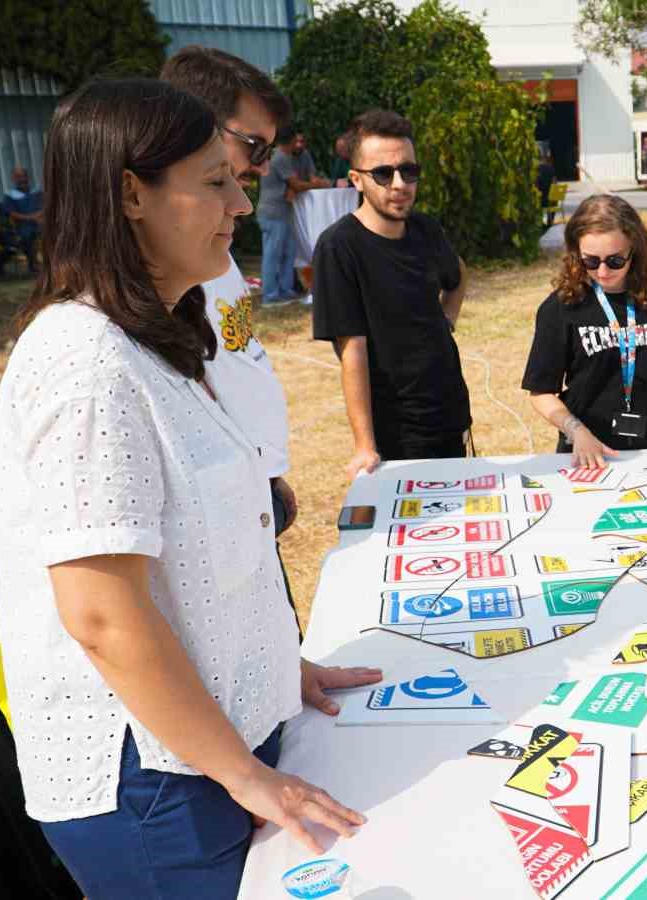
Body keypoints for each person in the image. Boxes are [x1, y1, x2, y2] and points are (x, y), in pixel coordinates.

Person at [0, 78, 380, 900]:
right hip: (155, 784)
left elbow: (202, 559)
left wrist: (276, 665)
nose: (241, 203)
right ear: (131, 194)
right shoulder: (85, 364)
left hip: (208, 745)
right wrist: (243, 774)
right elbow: (102, 613)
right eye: (214, 182)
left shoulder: (157, 332)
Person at [161, 43, 306, 619]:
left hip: (252, 494)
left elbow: (234, 362)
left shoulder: (209, 255)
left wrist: (269, 472)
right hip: (219, 517)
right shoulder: (168, 268)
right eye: (255, 146)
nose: (263, 167)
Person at [313, 108, 472, 478]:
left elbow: (457, 274)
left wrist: (445, 319)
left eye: (409, 171)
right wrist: (364, 446)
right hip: (396, 431)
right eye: (383, 173)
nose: (399, 184)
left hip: (449, 414)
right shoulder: (339, 248)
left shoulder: (426, 230)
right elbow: (351, 349)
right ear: (356, 179)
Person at [522, 193, 647, 468]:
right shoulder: (561, 306)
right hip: (588, 454)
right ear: (576, 253)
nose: (603, 271)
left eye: (615, 260)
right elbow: (541, 393)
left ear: (635, 250)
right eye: (591, 261)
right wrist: (576, 431)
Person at [258, 130, 325, 303]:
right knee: (273, 255)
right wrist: (314, 185)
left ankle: (285, 290)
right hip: (273, 213)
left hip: (285, 212)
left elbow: (295, 185)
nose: (298, 145)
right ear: (289, 142)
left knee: (288, 253)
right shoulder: (280, 157)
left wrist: (299, 187)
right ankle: (270, 295)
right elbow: (296, 184)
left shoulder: (283, 156)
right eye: (296, 141)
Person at [0, 166, 44, 272]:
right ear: (13, 179)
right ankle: (33, 263)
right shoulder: (10, 195)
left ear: (28, 178)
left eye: (24, 176)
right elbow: (12, 213)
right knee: (27, 235)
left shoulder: (37, 192)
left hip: (40, 221)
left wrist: (40, 216)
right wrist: (31, 218)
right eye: (18, 177)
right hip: (22, 225)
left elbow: (45, 206)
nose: (22, 179)